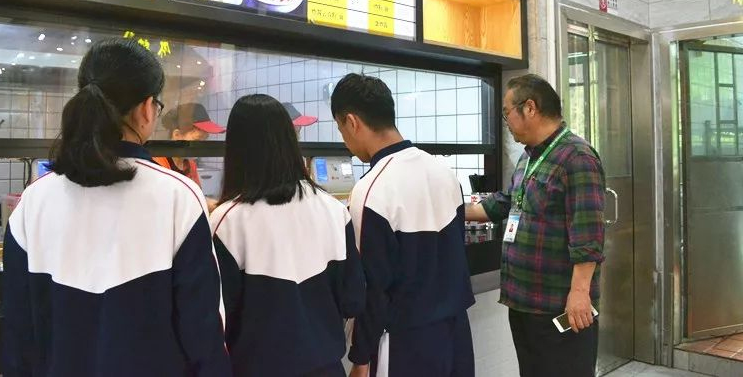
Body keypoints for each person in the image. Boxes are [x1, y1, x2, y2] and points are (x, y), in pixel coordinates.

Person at [2, 38, 231, 377]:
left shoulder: (33, 201)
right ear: (146, 109)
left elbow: (18, 336)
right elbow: (204, 333)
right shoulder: (178, 196)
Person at [209, 94, 366, 377]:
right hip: (328, 368)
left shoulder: (227, 222)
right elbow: (353, 299)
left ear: (236, 149)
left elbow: (217, 319)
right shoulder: (333, 209)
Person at [331, 73, 475, 377]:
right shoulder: (445, 173)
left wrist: (361, 357)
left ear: (352, 122)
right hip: (457, 334)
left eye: (341, 129)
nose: (345, 141)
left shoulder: (371, 190)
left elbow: (372, 288)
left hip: (404, 344)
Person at [466, 74, 605, 377]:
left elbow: (588, 235)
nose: (506, 122)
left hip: (558, 305)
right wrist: (454, 211)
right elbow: (505, 202)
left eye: (507, 113)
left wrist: (579, 293)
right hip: (525, 303)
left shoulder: (576, 157)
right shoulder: (529, 157)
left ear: (529, 108)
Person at [153, 102, 226, 187]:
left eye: (204, 140)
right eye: (197, 140)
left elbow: (197, 193)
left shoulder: (190, 165)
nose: (201, 147)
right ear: (177, 135)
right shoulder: (158, 165)